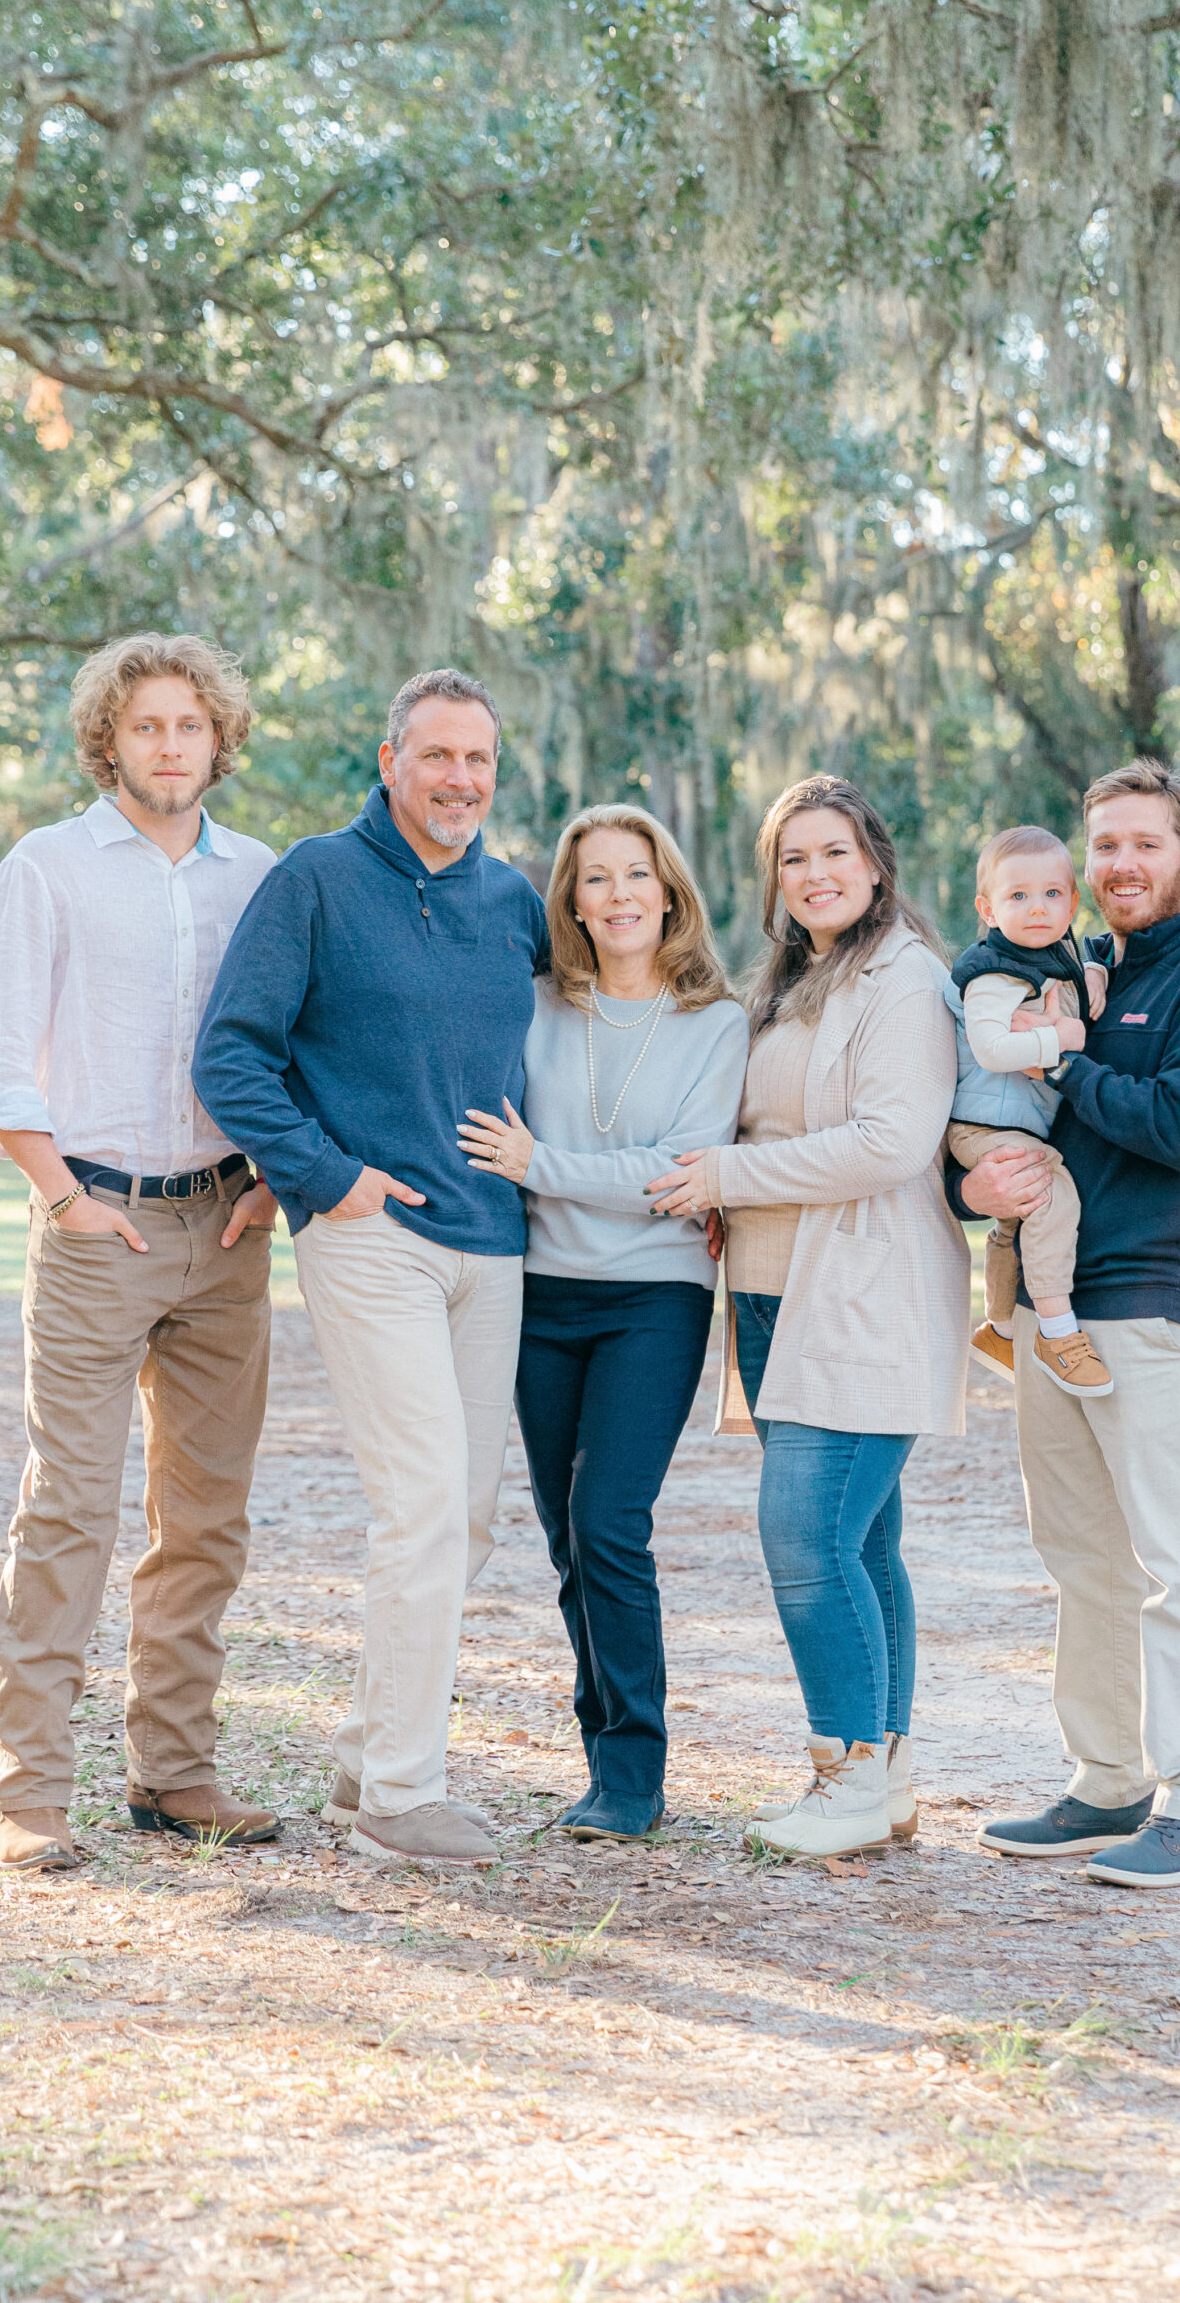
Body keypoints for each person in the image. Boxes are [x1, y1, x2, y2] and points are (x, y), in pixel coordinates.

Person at [193, 668, 547, 1871]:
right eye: (438, 755)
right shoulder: (317, 879)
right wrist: (320, 1175)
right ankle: (404, 1792)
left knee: (469, 1515)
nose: (460, 780)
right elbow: (232, 1057)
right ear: (390, 758)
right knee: (422, 1501)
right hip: (370, 1234)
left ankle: (362, 1758)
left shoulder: (513, 899)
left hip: (492, 1242)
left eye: (479, 761)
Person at [0, 633, 281, 1874]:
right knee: (71, 1509)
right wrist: (61, 1194)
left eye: (189, 725)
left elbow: (286, 1043)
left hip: (225, 1227)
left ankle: (175, 1774)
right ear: (109, 740)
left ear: (218, 739)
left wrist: (265, 1184)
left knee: (205, 1518)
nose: (170, 746)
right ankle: (30, 1790)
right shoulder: (46, 869)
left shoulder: (260, 877)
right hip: (97, 1224)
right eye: (146, 726)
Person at [954, 760, 1180, 1889]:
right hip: (1059, 1313)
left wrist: (1072, 1058)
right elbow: (1015, 1135)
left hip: (1157, 1306)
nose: (1121, 865)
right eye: (1105, 848)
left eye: (1145, 843)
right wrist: (973, 1188)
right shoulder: (1074, 974)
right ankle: (1107, 1783)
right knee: (1081, 1556)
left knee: (1174, 1562)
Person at [645, 774, 971, 1860]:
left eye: (834, 853)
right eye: (793, 859)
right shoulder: (792, 981)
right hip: (774, 1298)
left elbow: (892, 1141)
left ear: (875, 863)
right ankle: (888, 1774)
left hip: (868, 1295)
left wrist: (731, 1175)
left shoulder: (906, 979)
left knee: (804, 1534)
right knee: (866, 1542)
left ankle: (845, 1772)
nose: (815, 874)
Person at [455, 807, 747, 1842]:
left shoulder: (718, 1022)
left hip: (655, 1298)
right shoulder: (534, 1007)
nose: (618, 895)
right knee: (566, 1538)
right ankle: (602, 1760)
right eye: (595, 879)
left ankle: (634, 1771)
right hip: (538, 1296)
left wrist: (546, 1168)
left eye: (637, 874)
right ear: (570, 901)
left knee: (611, 1519)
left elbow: (679, 1178)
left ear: (669, 891)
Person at [944, 822, 1111, 1390]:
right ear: (988, 910)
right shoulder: (992, 974)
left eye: (1051, 894)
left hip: (1010, 1120)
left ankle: (998, 1328)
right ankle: (1057, 1332)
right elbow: (992, 1049)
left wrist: (1094, 971)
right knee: (1050, 1192)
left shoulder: (1055, 957)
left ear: (1073, 902)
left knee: (1013, 1223)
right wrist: (1061, 1038)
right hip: (982, 1123)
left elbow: (1080, 971)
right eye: (1018, 896)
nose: (1036, 909)